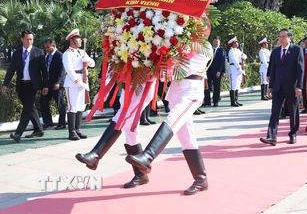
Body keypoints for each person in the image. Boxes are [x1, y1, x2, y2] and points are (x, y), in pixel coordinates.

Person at [125, 42, 214, 196]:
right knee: (187, 138)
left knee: (171, 121)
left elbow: (188, 54)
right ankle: (201, 179)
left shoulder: (202, 45)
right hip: (175, 90)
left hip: (191, 90)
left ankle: (148, 156)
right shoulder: (181, 42)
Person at [76, 75, 157, 189]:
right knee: (130, 132)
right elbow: (113, 69)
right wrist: (103, 92)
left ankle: (96, 155)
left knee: (121, 118)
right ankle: (141, 174)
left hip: (143, 89)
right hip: (127, 89)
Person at [2, 30, 48, 142]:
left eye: (31, 39)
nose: (29, 41)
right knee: (30, 107)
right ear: (22, 39)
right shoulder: (17, 53)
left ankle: (18, 133)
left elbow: (44, 71)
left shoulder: (39, 52)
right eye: (27, 39)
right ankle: (39, 129)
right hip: (21, 85)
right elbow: (11, 69)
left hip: (33, 85)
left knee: (27, 110)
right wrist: (5, 84)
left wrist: (45, 85)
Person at [260, 28, 304, 146]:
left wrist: (299, 86)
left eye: (284, 36)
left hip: (292, 86)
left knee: (293, 111)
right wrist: (270, 86)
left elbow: (300, 70)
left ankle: (293, 134)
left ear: (290, 37)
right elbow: (273, 70)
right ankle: (271, 136)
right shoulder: (275, 52)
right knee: (275, 111)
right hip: (277, 87)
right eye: (280, 37)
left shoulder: (297, 50)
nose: (281, 39)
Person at [63, 29, 95, 141]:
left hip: (84, 79)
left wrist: (88, 60)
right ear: (72, 40)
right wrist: (79, 82)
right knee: (72, 106)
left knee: (81, 105)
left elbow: (93, 63)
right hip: (73, 83)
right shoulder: (67, 54)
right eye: (78, 38)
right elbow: (70, 70)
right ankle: (71, 132)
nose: (80, 40)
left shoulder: (82, 52)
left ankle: (77, 129)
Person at [39, 39, 66, 130]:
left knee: (59, 103)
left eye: (47, 47)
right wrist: (44, 84)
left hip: (57, 84)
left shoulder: (60, 56)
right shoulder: (47, 56)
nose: (46, 49)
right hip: (48, 85)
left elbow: (62, 70)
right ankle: (48, 122)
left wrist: (58, 82)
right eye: (45, 47)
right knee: (43, 102)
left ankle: (62, 123)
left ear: (53, 46)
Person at [203, 36, 226, 107]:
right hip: (209, 71)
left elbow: (223, 62)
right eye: (214, 41)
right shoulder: (209, 50)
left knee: (216, 86)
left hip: (217, 71)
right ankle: (207, 101)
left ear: (219, 42)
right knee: (207, 86)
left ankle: (216, 101)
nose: (215, 43)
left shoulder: (221, 51)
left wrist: (221, 71)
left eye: (217, 41)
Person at [227, 36, 246, 107]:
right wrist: (240, 69)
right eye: (236, 42)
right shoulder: (231, 51)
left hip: (239, 69)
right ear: (233, 44)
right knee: (233, 85)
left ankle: (236, 100)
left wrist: (244, 56)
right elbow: (235, 61)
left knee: (237, 84)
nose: (237, 43)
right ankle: (233, 101)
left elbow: (244, 56)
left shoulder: (238, 51)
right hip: (233, 69)